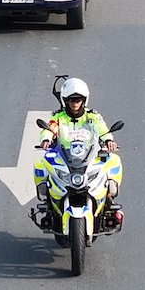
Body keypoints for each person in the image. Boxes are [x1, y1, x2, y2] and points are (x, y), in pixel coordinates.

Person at [33, 77, 122, 224]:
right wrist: (46, 139)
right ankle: (47, 200)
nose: (75, 103)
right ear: (65, 101)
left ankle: (108, 199)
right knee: (40, 162)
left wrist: (109, 140)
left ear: (84, 100)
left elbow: (103, 130)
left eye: (78, 99)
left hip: (89, 156)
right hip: (64, 156)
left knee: (114, 160)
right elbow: (50, 129)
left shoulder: (93, 116)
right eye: (71, 100)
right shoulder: (58, 116)